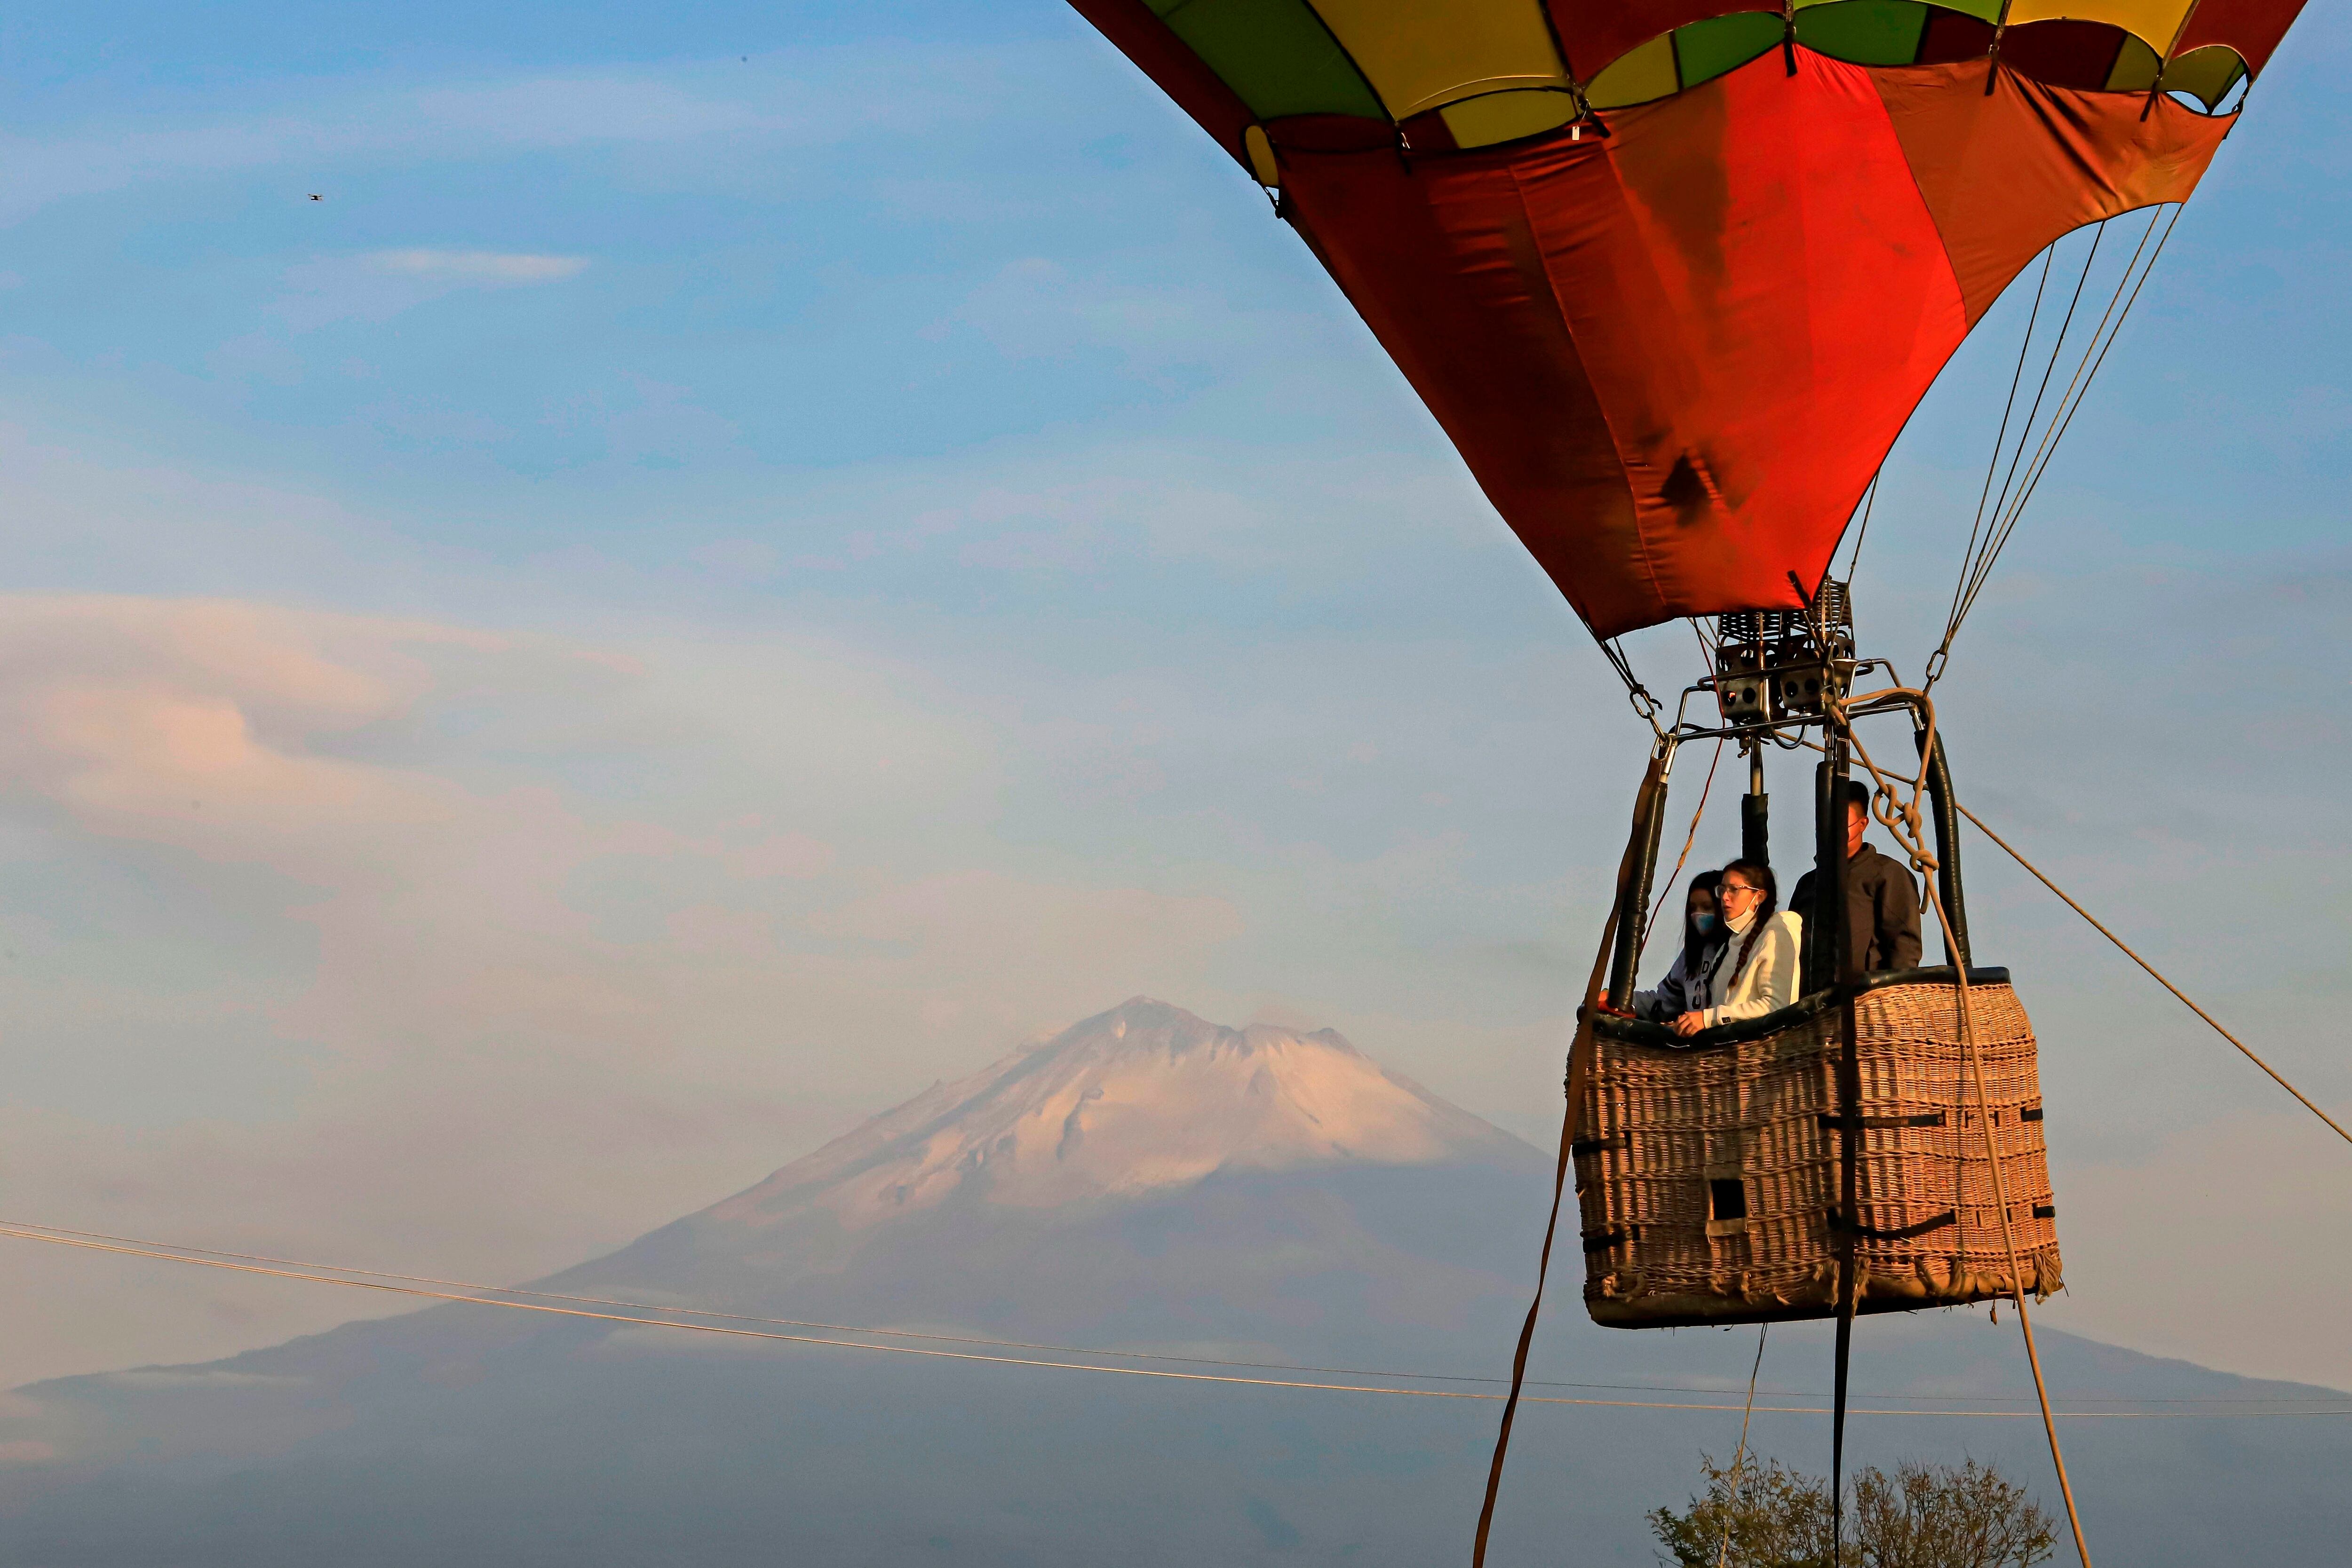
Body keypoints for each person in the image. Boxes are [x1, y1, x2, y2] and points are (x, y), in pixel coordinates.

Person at [1790, 780, 1923, 977]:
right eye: (1829, 820)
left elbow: (1904, 946)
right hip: (1810, 1001)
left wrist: (1888, 995)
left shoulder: (1887, 874)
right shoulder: (1808, 883)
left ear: (1862, 825)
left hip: (1864, 999)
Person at [1669, 859, 1803, 1037]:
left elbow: (1776, 1006)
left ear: (1759, 897)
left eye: (1734, 889)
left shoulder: (1776, 933)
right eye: (1722, 889)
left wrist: (1708, 1018)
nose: (1725, 897)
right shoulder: (1729, 945)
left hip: (1763, 1056)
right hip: (1728, 1057)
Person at [1634, 871, 1725, 1024]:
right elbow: (1663, 1003)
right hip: (1696, 1045)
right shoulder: (1691, 955)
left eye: (1707, 907)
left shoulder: (1737, 949)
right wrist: (1618, 999)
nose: (1699, 914)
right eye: (1693, 908)